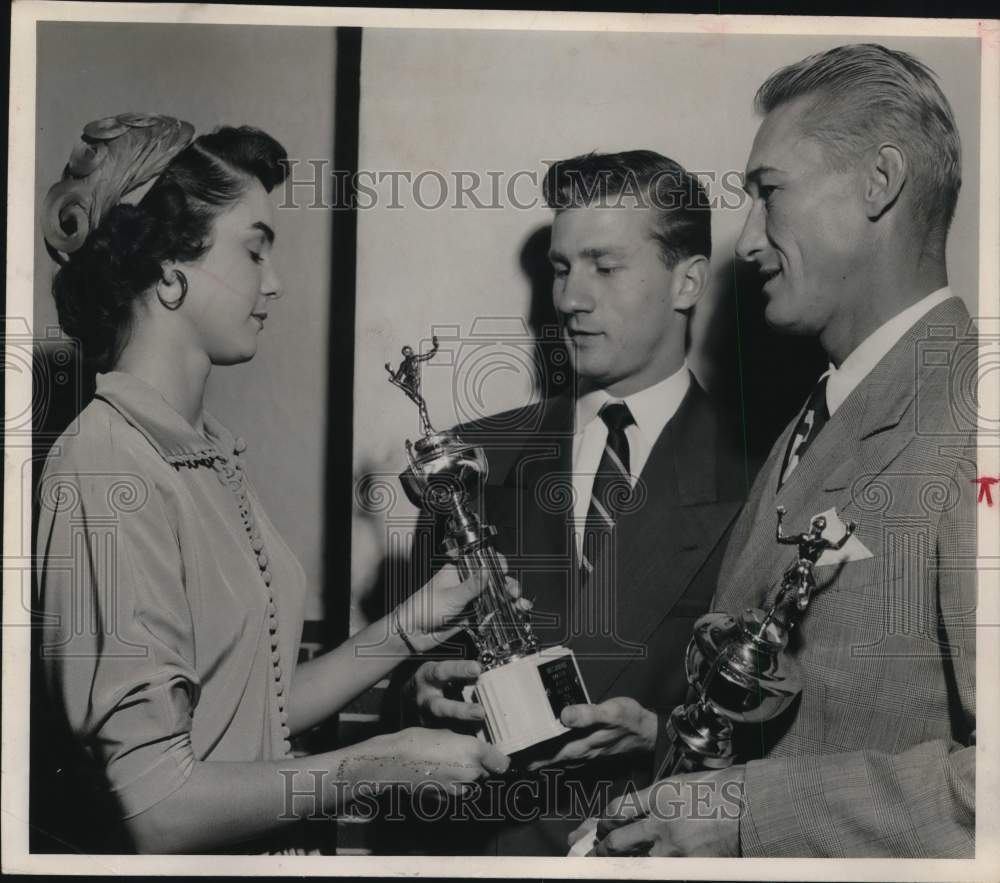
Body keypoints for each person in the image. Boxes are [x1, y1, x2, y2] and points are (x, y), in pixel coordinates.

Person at [35, 114, 519, 854]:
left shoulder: (201, 453)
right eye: (255, 249)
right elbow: (157, 807)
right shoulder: (107, 464)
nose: (276, 281)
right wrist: (380, 764)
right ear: (169, 267)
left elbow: (254, 702)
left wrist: (417, 620)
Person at [579, 43, 977, 858]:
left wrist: (741, 814)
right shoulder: (821, 410)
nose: (748, 241)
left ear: (881, 182)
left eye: (769, 193)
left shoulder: (976, 418)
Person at [392, 150, 752, 855]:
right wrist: (419, 693)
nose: (568, 299)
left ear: (688, 282)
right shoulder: (469, 462)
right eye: (561, 268)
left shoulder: (762, 475)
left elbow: (792, 739)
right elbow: (401, 690)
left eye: (604, 266)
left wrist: (656, 735)